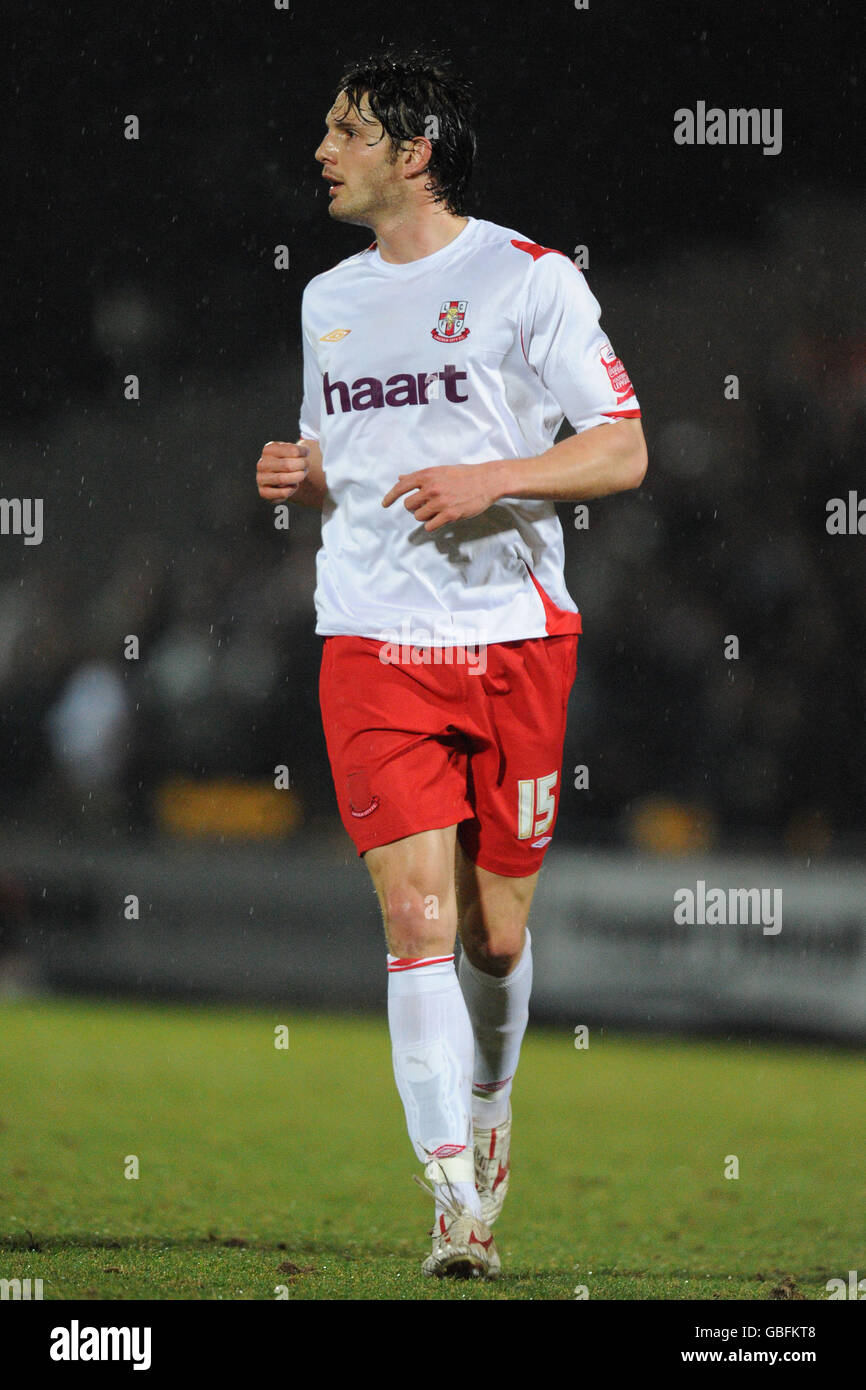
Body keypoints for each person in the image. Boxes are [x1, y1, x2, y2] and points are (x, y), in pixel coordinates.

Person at [256, 50, 647, 1279]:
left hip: (513, 639)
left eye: (344, 129)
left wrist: (494, 477)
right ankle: (452, 1204)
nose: (321, 149)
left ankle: (489, 1105)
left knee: (489, 934)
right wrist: (305, 472)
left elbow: (622, 449)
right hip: (371, 638)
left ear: (412, 149)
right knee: (415, 916)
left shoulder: (528, 280)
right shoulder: (326, 297)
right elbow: (352, 452)